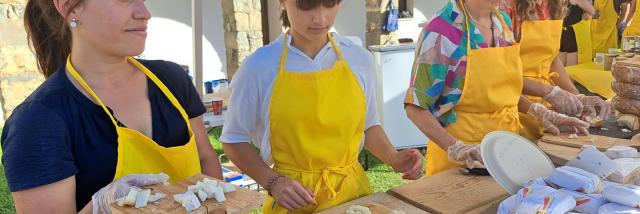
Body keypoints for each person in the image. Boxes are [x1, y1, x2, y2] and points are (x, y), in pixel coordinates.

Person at [1, 0, 222, 213]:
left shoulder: (172, 80)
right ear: (68, 7)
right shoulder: (37, 121)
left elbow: (205, 157)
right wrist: (101, 205)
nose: (144, 12)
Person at [220, 0, 424, 213]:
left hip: (353, 197)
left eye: (329, 5)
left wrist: (393, 157)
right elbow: (234, 139)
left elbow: (368, 124)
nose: (320, 18)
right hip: (294, 199)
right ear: (282, 3)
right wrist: (274, 182)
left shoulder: (359, 59)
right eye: (306, 7)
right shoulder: (259, 67)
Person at [404, 0, 590, 176]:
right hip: (462, 162)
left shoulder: (502, 22)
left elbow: (502, 87)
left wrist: (539, 111)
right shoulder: (442, 31)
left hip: (507, 148)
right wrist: (456, 148)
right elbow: (416, 107)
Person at [500, 0, 611, 141]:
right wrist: (549, 93)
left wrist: (577, 98)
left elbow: (551, 60)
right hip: (514, 104)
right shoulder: (507, 7)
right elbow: (500, 75)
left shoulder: (554, 4)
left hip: (547, 108)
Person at [559, 0, 595, 66]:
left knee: (561, 62)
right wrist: (586, 11)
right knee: (572, 66)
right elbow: (592, 11)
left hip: (561, 30)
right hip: (573, 33)